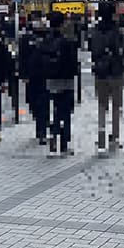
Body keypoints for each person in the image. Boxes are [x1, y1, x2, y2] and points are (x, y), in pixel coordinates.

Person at [89, 2, 124, 154]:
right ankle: (114, 137)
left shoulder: (94, 31)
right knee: (115, 107)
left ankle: (101, 138)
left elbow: (91, 50)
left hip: (100, 72)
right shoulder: (118, 31)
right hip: (115, 72)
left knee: (101, 106)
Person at [36, 11, 78, 157]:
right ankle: (64, 145)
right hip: (65, 81)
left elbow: (38, 62)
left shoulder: (44, 41)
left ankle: (53, 141)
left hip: (50, 81)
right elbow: (73, 63)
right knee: (65, 113)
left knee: (54, 111)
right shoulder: (66, 42)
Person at [20, 15, 49, 145]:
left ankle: (42, 130)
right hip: (31, 77)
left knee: (43, 103)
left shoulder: (48, 39)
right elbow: (22, 58)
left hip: (44, 76)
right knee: (33, 102)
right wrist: (23, 74)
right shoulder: (26, 39)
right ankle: (40, 122)